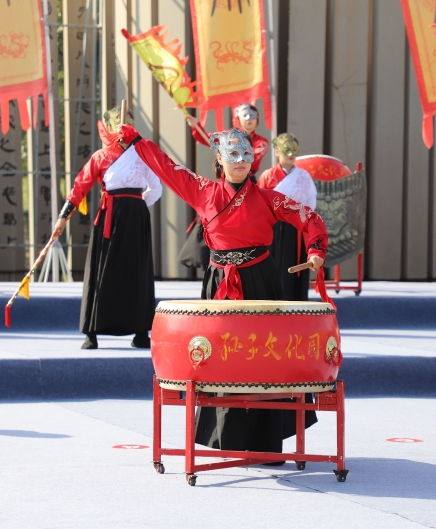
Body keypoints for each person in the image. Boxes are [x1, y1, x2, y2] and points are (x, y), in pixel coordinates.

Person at [121, 122, 329, 457]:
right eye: (233, 153)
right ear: (219, 158)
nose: (241, 160)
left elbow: (308, 217)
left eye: (246, 153)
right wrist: (136, 141)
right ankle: (225, 438)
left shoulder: (267, 197)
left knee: (264, 355)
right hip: (220, 284)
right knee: (221, 354)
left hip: (260, 281)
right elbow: (166, 166)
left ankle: (266, 440)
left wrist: (316, 250)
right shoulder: (201, 190)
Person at [52, 106, 162, 350]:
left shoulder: (144, 153)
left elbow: (156, 187)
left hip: (135, 216)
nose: (123, 128)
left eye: (128, 123)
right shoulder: (101, 156)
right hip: (109, 217)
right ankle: (92, 332)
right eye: (118, 124)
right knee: (101, 271)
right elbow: (81, 185)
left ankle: (141, 331)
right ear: (110, 127)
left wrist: (140, 205)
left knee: (137, 272)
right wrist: (64, 216)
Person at [178, 103, 270, 271]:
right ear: (238, 119)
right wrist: (196, 125)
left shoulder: (261, 142)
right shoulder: (226, 136)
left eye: (253, 116)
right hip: (227, 185)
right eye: (245, 116)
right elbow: (204, 137)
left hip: (247, 187)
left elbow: (250, 160)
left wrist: (232, 151)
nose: (249, 120)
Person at [257, 133, 318, 300]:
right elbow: (259, 204)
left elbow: (311, 200)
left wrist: (302, 214)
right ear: (277, 152)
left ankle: (297, 303)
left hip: (297, 226)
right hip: (274, 227)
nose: (291, 155)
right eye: (286, 150)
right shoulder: (267, 176)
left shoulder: (304, 176)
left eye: (294, 150)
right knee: (275, 266)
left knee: (296, 266)